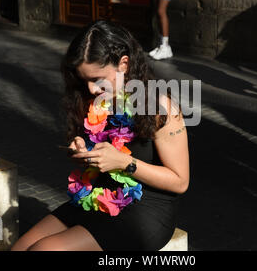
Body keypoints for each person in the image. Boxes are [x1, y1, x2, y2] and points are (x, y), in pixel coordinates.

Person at [11, 20, 190, 251]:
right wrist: (82, 149)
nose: (91, 89)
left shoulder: (160, 107)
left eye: (97, 79)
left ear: (123, 64)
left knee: (45, 250)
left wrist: (125, 163)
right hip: (99, 198)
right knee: (19, 248)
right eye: (84, 80)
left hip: (144, 212)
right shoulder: (96, 99)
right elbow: (95, 150)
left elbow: (180, 181)